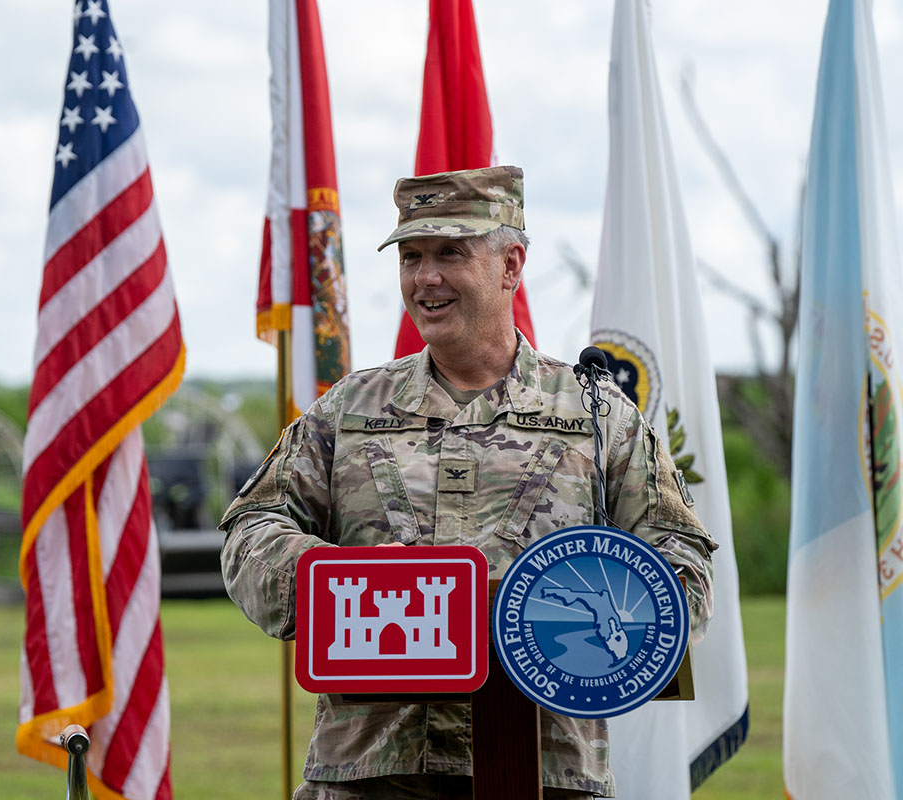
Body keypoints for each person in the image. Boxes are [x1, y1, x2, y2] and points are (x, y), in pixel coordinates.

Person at [219, 165, 716, 800]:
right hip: (371, 776)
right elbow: (250, 530)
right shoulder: (347, 411)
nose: (425, 278)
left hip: (543, 776)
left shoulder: (597, 417)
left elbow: (684, 569)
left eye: (450, 253)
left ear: (511, 265)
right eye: (411, 256)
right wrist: (333, 583)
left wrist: (564, 615)